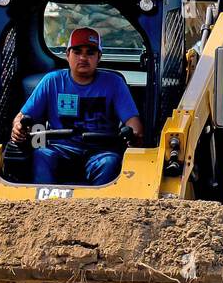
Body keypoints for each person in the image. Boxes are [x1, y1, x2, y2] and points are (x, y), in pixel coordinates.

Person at [11, 27, 145, 186]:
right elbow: (23, 116)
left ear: (99, 57)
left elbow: (133, 123)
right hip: (59, 149)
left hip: (100, 152)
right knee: (42, 155)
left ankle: (102, 207)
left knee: (110, 162)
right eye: (77, 52)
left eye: (90, 53)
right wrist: (18, 128)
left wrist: (134, 134)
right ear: (67, 55)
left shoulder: (114, 83)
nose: (83, 57)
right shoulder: (51, 81)